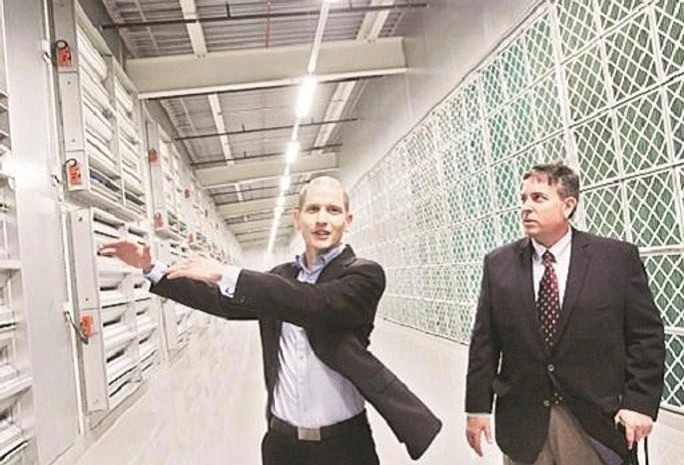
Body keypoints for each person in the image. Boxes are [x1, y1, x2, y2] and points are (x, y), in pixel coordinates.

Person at [99, 176, 441, 465]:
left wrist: (230, 273)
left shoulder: (363, 275)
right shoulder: (280, 277)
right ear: (297, 218)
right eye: (313, 209)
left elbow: (318, 305)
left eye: (333, 210)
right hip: (282, 444)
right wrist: (151, 269)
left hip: (346, 445)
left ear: (347, 221)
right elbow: (223, 303)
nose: (322, 218)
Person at [464, 162, 665, 465]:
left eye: (538, 198)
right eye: (523, 199)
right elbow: (485, 342)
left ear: (568, 205)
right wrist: (477, 407)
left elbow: (645, 336)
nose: (526, 208)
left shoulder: (615, 259)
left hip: (594, 422)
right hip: (524, 423)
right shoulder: (498, 264)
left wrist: (640, 403)